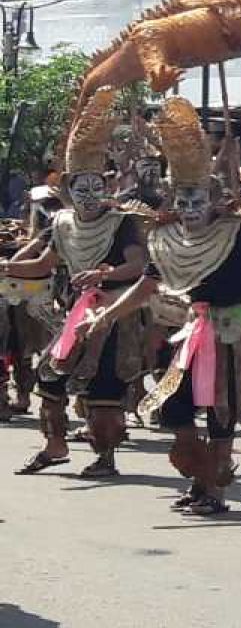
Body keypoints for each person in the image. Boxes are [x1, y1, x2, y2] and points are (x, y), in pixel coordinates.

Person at [82, 97, 241, 515]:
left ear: (215, 201)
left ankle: (214, 489)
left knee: (222, 410)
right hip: (188, 330)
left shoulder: (237, 235)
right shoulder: (165, 240)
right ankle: (200, 474)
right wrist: (106, 316)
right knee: (177, 408)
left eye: (196, 199)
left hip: (232, 330)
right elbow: (147, 286)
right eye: (181, 200)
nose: (188, 208)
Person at [6, 89, 148, 479]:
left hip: (112, 316)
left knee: (104, 391)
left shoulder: (122, 222)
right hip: (74, 316)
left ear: (105, 185)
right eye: (80, 188)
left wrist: (104, 273)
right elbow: (43, 264)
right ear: (69, 189)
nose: (88, 195)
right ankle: (55, 446)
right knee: (50, 379)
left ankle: (105, 457)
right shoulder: (62, 224)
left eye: (94, 186)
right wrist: (8, 269)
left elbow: (137, 265)